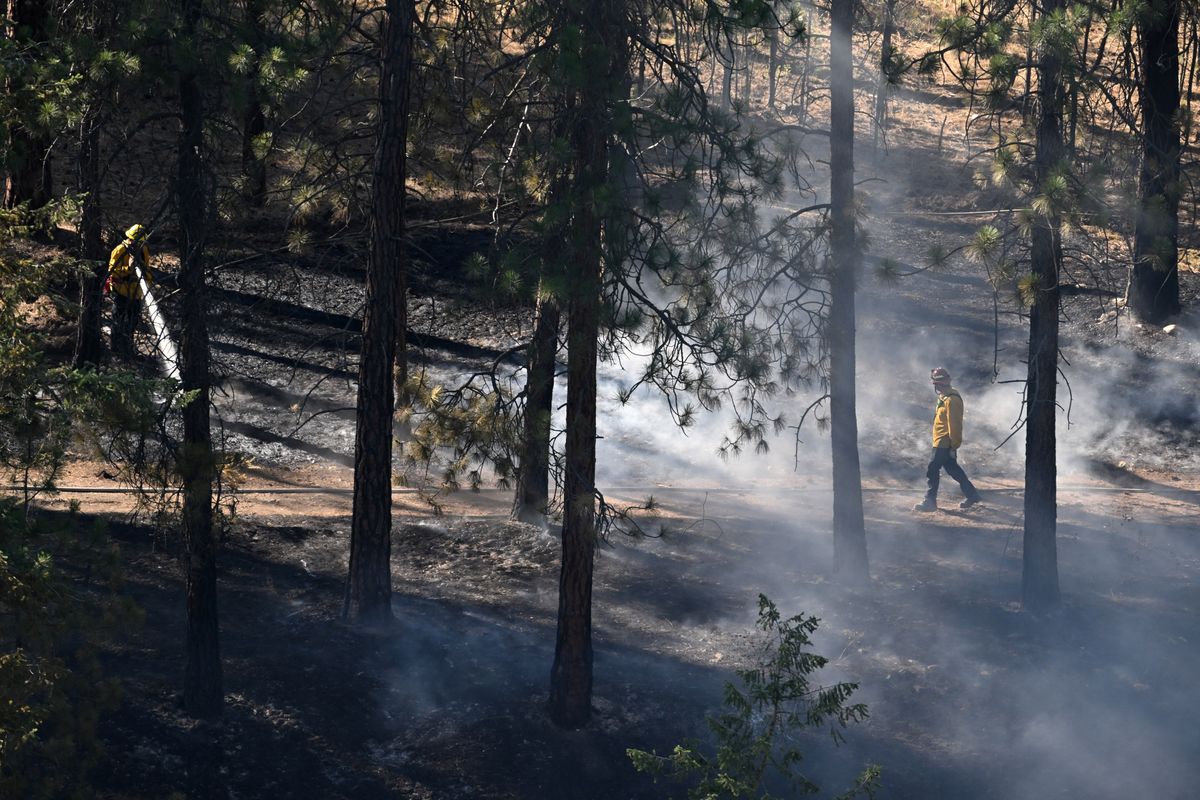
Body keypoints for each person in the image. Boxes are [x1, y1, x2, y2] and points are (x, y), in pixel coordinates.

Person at [914, 367, 983, 512]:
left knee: (932, 469)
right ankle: (972, 495)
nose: (936, 387)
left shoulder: (952, 400)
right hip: (941, 441)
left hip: (944, 443)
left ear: (941, 384)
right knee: (953, 469)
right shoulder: (944, 398)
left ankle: (930, 501)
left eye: (937, 384)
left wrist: (954, 446)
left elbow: (955, 425)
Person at [106, 224, 152, 356]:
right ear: (130, 239)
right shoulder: (119, 250)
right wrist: (129, 268)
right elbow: (112, 272)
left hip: (136, 293)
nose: (139, 245)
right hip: (120, 291)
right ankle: (115, 349)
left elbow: (147, 270)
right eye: (136, 242)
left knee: (132, 323)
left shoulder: (143, 251)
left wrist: (147, 280)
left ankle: (128, 349)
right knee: (118, 321)